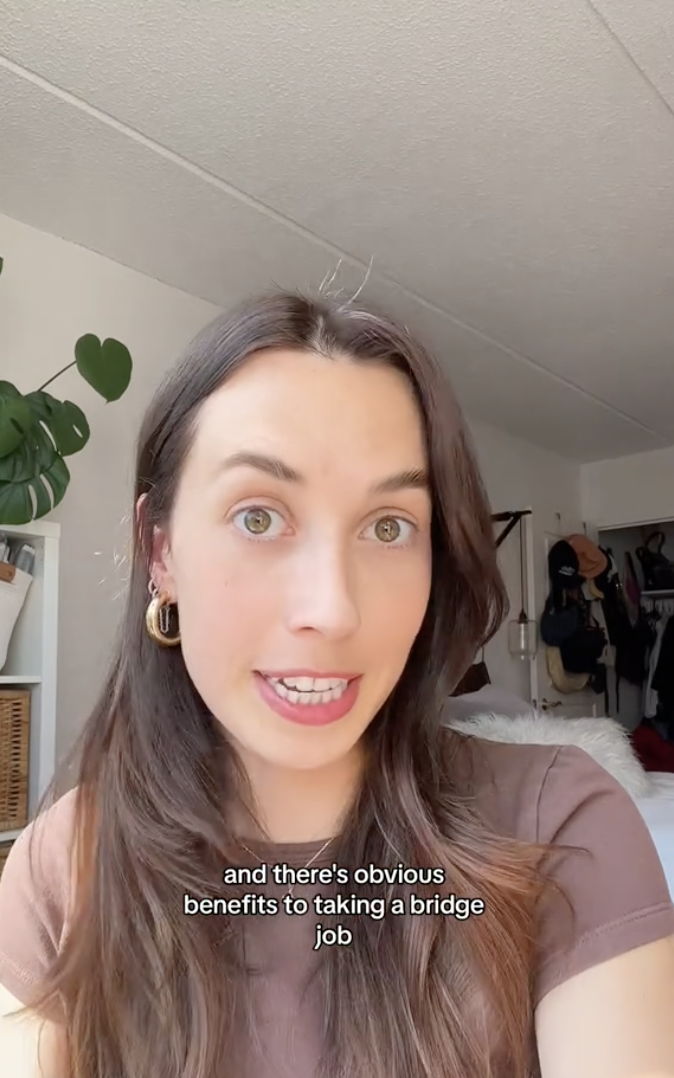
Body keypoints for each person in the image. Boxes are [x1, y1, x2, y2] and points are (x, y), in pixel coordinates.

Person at [0, 291, 673, 1078]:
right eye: (259, 517)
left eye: (389, 526)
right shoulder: (71, 859)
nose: (333, 607)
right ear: (162, 553)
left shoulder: (560, 825)